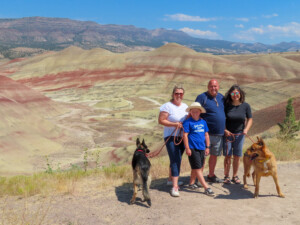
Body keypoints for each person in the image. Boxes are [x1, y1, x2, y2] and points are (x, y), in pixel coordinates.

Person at [158, 84, 188, 197]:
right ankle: (175, 187)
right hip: (170, 136)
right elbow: (161, 120)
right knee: (176, 159)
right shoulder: (167, 106)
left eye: (180, 93)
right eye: (176, 93)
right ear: (173, 94)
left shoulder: (185, 106)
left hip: (182, 137)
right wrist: (175, 124)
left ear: (183, 95)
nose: (178, 95)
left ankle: (171, 179)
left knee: (177, 158)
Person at [194, 79, 225, 183]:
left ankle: (211, 175)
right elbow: (194, 112)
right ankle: (199, 178)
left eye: (215, 86)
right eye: (211, 86)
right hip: (205, 134)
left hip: (219, 133)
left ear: (218, 87)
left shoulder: (221, 98)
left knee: (214, 155)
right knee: (203, 156)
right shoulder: (202, 97)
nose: (213, 88)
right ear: (208, 87)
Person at [183, 102, 215, 196]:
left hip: (202, 147)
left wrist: (207, 147)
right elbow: (185, 135)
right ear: (190, 112)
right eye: (193, 112)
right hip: (193, 148)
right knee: (197, 168)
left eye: (197, 111)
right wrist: (187, 148)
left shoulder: (203, 122)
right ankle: (206, 187)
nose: (195, 113)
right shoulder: (187, 122)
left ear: (200, 112)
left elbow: (206, 135)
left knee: (198, 167)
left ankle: (191, 183)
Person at [223, 84, 253, 184]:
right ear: (230, 94)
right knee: (227, 156)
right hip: (228, 134)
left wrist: (246, 129)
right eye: (233, 93)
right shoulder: (226, 106)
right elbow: (222, 119)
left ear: (240, 94)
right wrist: (225, 130)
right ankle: (226, 176)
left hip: (240, 135)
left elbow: (250, 119)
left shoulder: (246, 106)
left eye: (237, 93)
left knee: (237, 156)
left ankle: (235, 176)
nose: (235, 95)